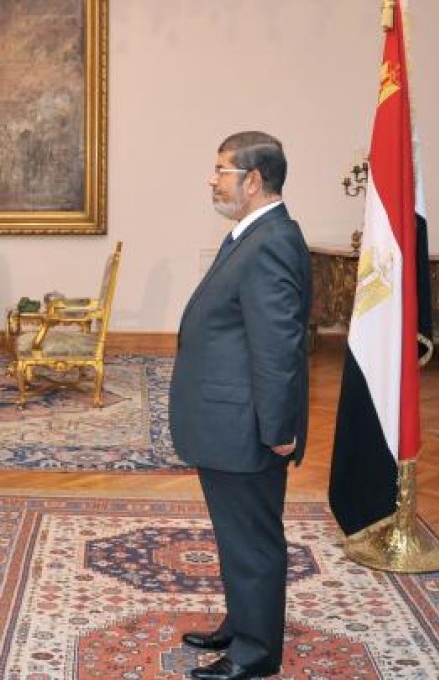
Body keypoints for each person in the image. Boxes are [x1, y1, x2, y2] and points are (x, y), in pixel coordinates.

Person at [169, 131, 311, 680]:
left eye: (220, 169)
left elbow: (278, 348)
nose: (212, 179)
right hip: (232, 420)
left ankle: (255, 651)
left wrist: (277, 429)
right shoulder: (251, 234)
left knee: (251, 538)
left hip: (247, 426)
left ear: (252, 181)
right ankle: (243, 620)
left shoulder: (271, 240)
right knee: (237, 533)